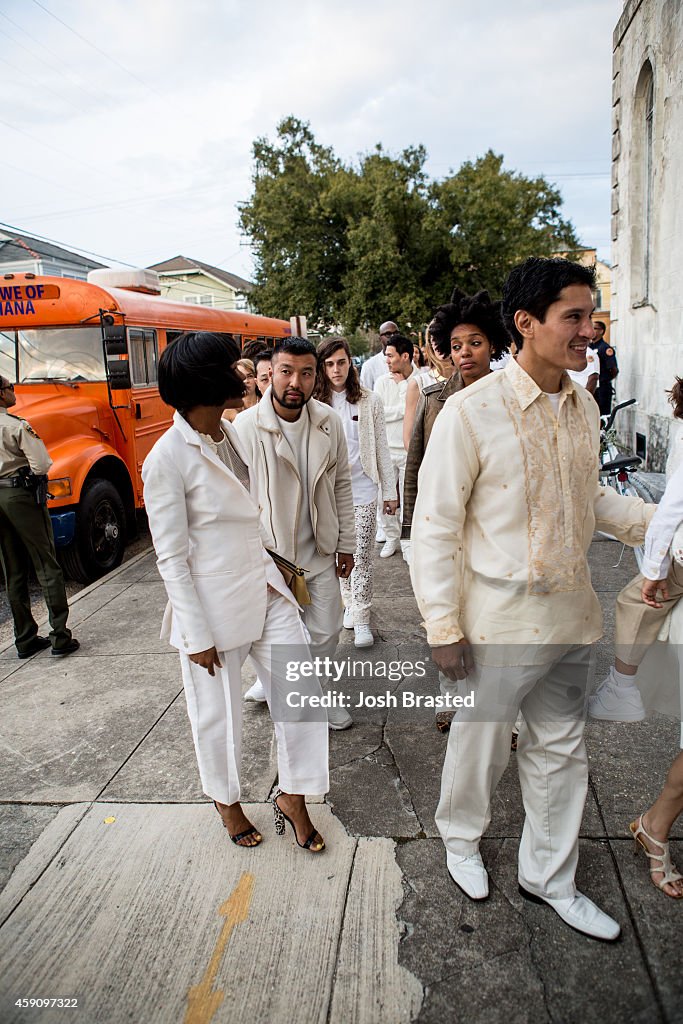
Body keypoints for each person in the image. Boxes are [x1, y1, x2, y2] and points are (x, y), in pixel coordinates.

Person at [411, 257, 654, 941]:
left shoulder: (581, 406)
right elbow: (432, 527)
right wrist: (441, 625)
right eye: (572, 316)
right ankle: (460, 839)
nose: (587, 329)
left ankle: (547, 877)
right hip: (496, 618)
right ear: (526, 324)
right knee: (481, 743)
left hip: (571, 612)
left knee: (559, 750)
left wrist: (658, 523)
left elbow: (591, 497)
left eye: (589, 315)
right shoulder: (470, 412)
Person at [142, 332, 328, 851]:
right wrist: (194, 633)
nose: (247, 373)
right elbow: (171, 557)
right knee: (218, 717)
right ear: (205, 382)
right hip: (212, 609)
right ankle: (226, 800)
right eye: (235, 367)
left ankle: (294, 795)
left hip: (266, 588)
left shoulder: (232, 432)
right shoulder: (166, 459)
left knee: (301, 696)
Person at [235, 337, 356, 730]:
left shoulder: (327, 421)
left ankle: (318, 689)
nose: (295, 382)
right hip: (274, 556)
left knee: (327, 629)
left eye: (306, 373)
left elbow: (341, 484)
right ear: (270, 373)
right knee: (281, 636)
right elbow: (236, 494)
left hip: (318, 550)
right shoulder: (247, 426)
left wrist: (347, 543)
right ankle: (284, 688)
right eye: (286, 371)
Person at [402, 290, 509, 731]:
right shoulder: (434, 399)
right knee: (448, 614)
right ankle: (452, 701)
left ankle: (509, 713)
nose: (465, 353)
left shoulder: (510, 398)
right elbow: (415, 463)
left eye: (476, 342)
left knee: (495, 617)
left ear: (494, 345)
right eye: (457, 344)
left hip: (493, 525)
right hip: (446, 522)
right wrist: (411, 526)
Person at [314, 336, 397, 649]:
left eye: (341, 362)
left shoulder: (368, 400)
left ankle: (362, 618)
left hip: (362, 490)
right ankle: (349, 601)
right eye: (330, 363)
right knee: (336, 557)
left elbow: (381, 449)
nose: (336, 369)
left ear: (351, 364)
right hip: (324, 494)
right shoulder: (314, 403)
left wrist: (389, 492)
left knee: (362, 557)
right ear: (322, 367)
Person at [0, 376, 79, 659]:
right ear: (0, 394)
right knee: (46, 563)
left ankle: (24, 638)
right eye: (10, 387)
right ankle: (60, 636)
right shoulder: (15, 425)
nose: (14, 392)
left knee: (13, 569)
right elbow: (42, 463)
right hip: (20, 495)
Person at [374, 335, 420, 561]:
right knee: (387, 497)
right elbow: (380, 412)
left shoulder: (420, 380)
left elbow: (417, 412)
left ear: (405, 356)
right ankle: (391, 537)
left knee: (410, 499)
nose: (388, 361)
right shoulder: (382, 381)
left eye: (391, 356)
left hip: (409, 451)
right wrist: (404, 409)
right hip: (387, 450)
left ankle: (407, 541)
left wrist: (403, 387)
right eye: (386, 356)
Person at [402, 328, 453, 452]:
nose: (439, 343)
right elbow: (409, 439)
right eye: (434, 339)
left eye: (444, 336)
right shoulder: (419, 383)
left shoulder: (469, 379)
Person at [360, 321, 399, 391]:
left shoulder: (407, 362)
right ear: (380, 338)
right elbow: (366, 396)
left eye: (396, 333)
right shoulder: (369, 366)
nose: (393, 336)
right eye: (388, 334)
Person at [591, 321, 618, 417]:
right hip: (592, 387)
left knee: (603, 416)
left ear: (601, 331)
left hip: (602, 388)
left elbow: (614, 369)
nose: (591, 330)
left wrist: (604, 380)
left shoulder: (605, 348)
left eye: (595, 328)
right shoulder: (589, 347)